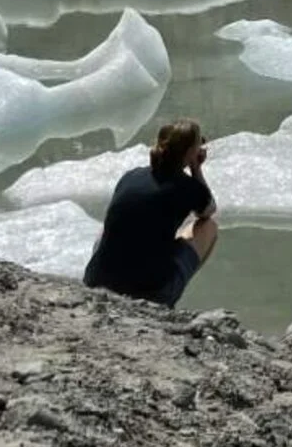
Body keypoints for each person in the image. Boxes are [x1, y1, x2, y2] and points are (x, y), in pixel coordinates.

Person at [82, 119, 219, 307]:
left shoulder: (131, 175)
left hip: (96, 281)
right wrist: (196, 169)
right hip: (150, 292)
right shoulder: (188, 187)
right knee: (208, 227)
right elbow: (208, 211)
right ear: (190, 152)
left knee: (112, 226)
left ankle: (110, 274)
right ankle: (170, 293)